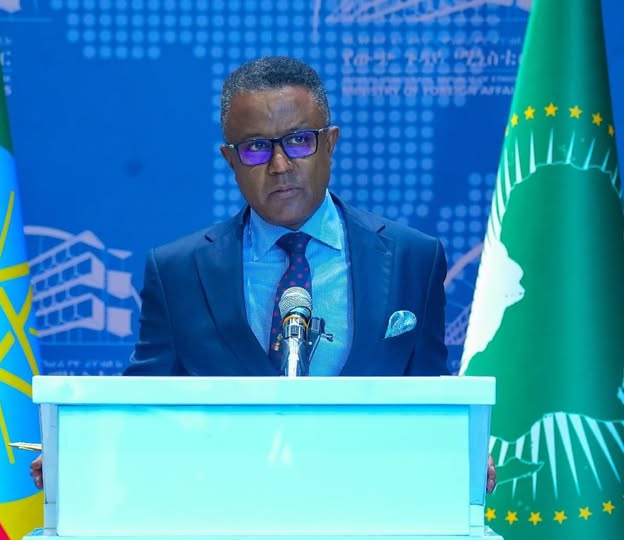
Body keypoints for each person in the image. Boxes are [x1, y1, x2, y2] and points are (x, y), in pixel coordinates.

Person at [31, 56, 496, 492]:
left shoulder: (412, 257)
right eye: (256, 148)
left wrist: (459, 452)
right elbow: (142, 406)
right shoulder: (178, 272)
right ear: (230, 159)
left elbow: (429, 395)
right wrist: (81, 454)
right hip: (226, 505)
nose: (280, 165)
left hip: (369, 503)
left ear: (330, 143)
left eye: (299, 141)